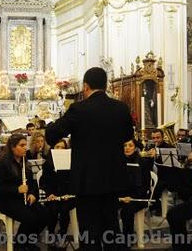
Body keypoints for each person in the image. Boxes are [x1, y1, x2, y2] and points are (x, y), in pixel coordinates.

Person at [45, 67, 134, 250]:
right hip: (113, 177)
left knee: (89, 229)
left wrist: (52, 122)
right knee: (111, 225)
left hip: (87, 180)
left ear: (85, 86)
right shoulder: (121, 108)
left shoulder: (79, 109)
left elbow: (52, 135)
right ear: (106, 85)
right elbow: (127, 136)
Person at [0, 134, 49, 251]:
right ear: (13, 147)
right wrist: (16, 189)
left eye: (25, 145)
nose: (25, 148)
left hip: (23, 199)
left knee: (45, 214)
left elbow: (32, 182)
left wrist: (33, 193)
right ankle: (19, 245)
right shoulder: (2, 163)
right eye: (21, 145)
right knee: (30, 218)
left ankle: (28, 241)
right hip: (7, 201)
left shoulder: (24, 161)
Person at [40, 138, 76, 250]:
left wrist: (68, 194)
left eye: (62, 147)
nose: (60, 150)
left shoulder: (71, 163)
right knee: (53, 208)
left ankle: (63, 235)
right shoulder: (48, 164)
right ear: (53, 149)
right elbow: (45, 182)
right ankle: (51, 234)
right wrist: (50, 194)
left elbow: (74, 181)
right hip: (53, 195)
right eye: (57, 147)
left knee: (65, 209)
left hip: (67, 196)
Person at [118, 139, 151, 249]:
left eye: (130, 145)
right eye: (125, 145)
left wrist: (132, 197)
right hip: (123, 195)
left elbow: (145, 185)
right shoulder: (119, 161)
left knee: (126, 211)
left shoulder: (142, 162)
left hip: (139, 196)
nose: (127, 148)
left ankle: (127, 239)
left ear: (135, 148)